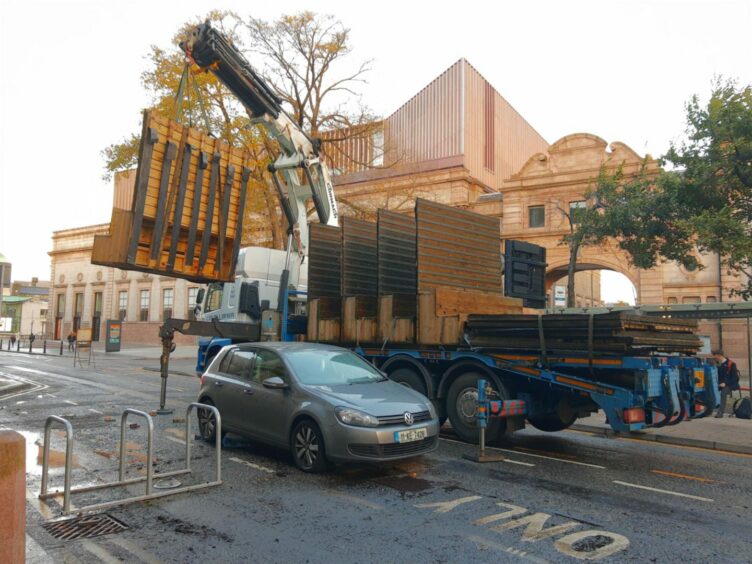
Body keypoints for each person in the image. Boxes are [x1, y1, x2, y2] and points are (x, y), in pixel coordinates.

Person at [713, 349, 740, 417]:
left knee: (723, 392)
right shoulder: (718, 364)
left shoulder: (731, 364)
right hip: (720, 385)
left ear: (719, 356)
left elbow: (735, 378)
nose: (714, 357)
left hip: (731, 385)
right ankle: (710, 409)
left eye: (715, 356)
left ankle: (720, 412)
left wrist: (725, 383)